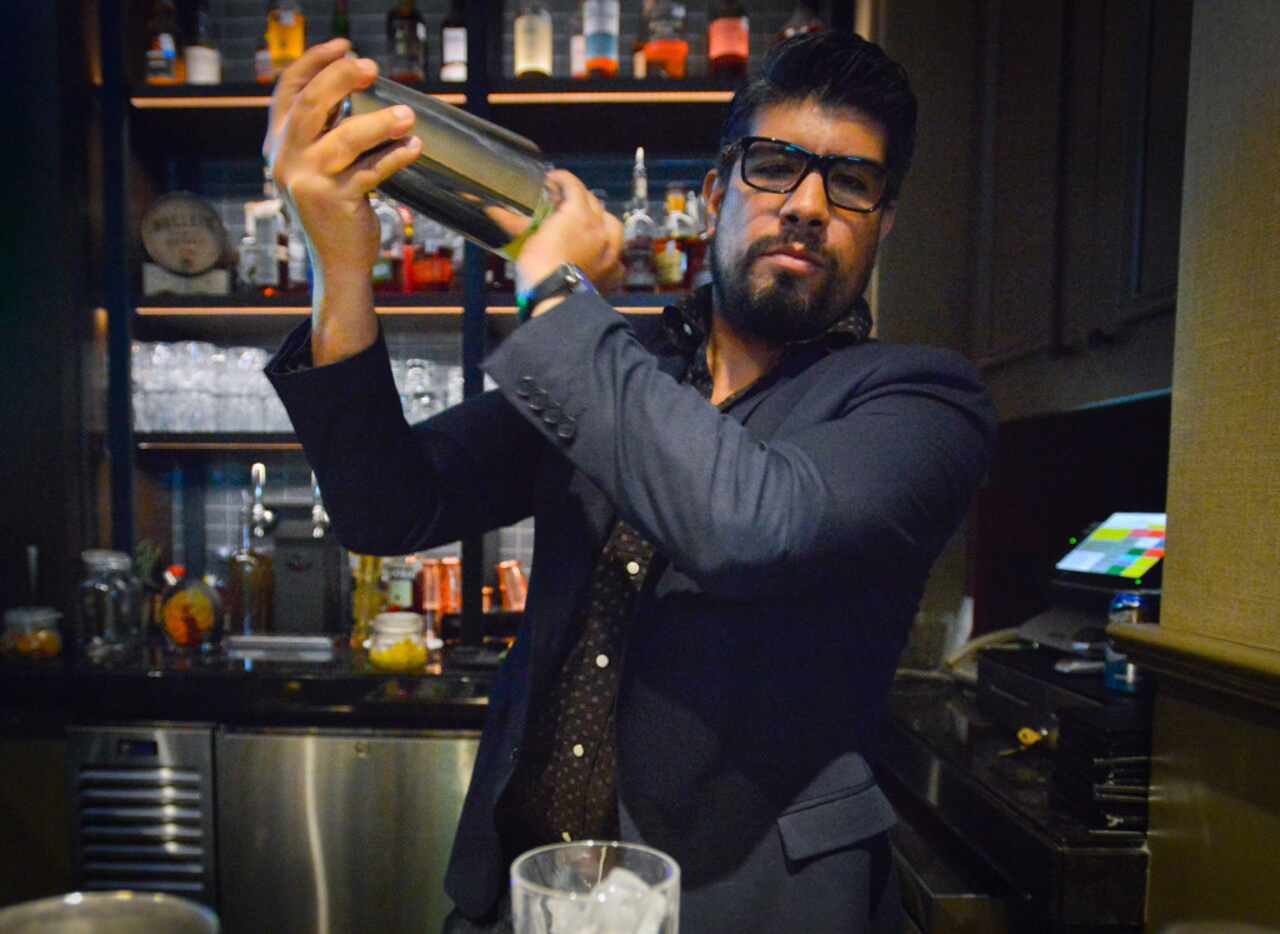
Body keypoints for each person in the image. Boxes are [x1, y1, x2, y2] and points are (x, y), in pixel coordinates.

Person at [264, 30, 996, 934]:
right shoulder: (622, 365)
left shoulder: (921, 403)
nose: (807, 205)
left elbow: (752, 524)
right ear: (717, 193)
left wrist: (556, 290)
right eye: (776, 167)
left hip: (747, 910)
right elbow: (387, 503)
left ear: (882, 222)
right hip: (523, 899)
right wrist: (342, 267)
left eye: (850, 183)